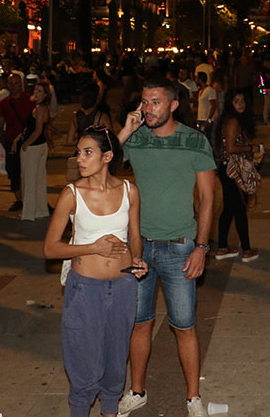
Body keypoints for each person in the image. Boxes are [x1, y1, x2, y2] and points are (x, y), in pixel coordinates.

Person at [115, 77, 215, 417]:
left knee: (184, 325)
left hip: (179, 247)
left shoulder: (195, 140)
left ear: (173, 105)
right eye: (144, 101)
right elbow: (99, 163)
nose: (147, 108)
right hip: (139, 247)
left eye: (155, 102)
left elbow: (208, 199)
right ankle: (137, 390)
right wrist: (125, 130)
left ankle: (193, 397)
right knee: (139, 322)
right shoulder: (136, 138)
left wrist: (202, 247)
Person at [44, 126, 147, 417]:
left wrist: (137, 258)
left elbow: (135, 235)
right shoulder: (72, 194)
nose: (80, 158)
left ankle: (110, 411)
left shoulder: (129, 191)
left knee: (116, 360)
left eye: (87, 152)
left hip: (124, 286)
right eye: (79, 152)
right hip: (85, 289)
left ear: (107, 156)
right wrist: (93, 248)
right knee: (83, 361)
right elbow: (50, 248)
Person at [214, 90, 260, 263]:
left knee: (229, 209)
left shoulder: (231, 119)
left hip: (227, 169)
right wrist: (251, 148)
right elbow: (231, 148)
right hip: (232, 171)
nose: (241, 104)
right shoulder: (233, 121)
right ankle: (246, 250)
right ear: (230, 103)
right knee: (239, 209)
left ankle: (222, 247)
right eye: (236, 101)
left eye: (242, 100)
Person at [0, 73, 35, 212]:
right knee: (14, 172)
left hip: (29, 141)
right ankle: (19, 200)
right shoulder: (4, 103)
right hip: (11, 140)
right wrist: (4, 142)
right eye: (11, 83)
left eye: (16, 83)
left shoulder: (30, 100)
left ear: (21, 84)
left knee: (29, 171)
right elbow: (0, 125)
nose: (13, 86)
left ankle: (28, 199)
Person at [17, 81, 51, 221]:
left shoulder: (40, 109)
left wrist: (26, 144)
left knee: (29, 180)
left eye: (40, 91)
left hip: (34, 147)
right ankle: (40, 210)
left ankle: (28, 213)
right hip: (40, 146)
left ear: (45, 94)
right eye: (35, 90)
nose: (36, 93)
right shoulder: (41, 108)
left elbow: (38, 130)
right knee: (39, 180)